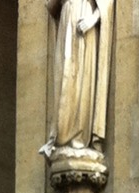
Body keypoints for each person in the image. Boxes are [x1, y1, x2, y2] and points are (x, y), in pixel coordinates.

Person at [44, 0, 114, 156]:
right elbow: (52, 6)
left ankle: (80, 138)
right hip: (66, 19)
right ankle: (60, 135)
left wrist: (93, 19)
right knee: (64, 77)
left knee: (82, 77)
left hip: (84, 18)